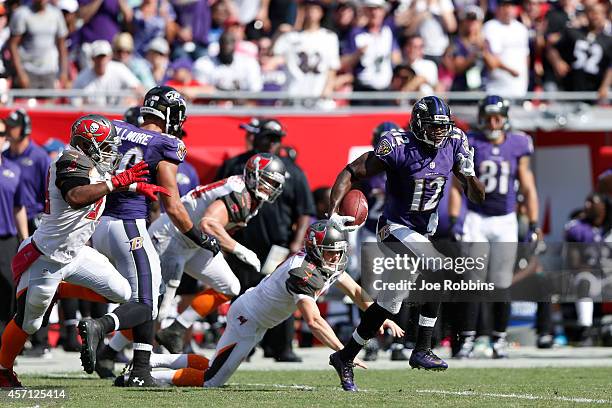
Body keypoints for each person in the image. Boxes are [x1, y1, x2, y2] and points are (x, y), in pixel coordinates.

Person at [114, 220, 404, 388]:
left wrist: (380, 316)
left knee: (214, 367)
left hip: (258, 320)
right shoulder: (302, 271)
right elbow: (314, 322)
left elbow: (355, 290)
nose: (335, 258)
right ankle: (144, 376)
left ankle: (145, 361)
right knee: (212, 381)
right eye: (330, 252)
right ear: (316, 249)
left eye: (338, 252)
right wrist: (345, 352)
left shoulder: (327, 265)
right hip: (248, 318)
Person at [326, 96, 485, 391]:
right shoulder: (398, 145)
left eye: (443, 127)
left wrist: (470, 175)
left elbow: (478, 197)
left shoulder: (454, 142)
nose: (440, 133)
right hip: (394, 227)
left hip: (422, 232)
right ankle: (422, 348)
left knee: (388, 304)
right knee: (437, 267)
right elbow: (351, 171)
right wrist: (332, 211)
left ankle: (345, 357)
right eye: (433, 127)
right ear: (417, 125)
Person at [0, 114, 166, 388]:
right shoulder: (70, 160)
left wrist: (134, 185)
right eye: (107, 145)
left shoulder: (91, 164)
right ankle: (3, 368)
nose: (112, 151)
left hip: (76, 253)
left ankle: (61, 289)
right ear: (88, 144)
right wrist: (117, 182)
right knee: (29, 323)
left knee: (124, 293)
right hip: (49, 257)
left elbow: (102, 182)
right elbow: (76, 196)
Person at [81, 86, 220, 387]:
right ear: (170, 114)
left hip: (99, 223)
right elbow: (172, 203)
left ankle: (140, 370)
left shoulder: (116, 128)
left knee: (149, 294)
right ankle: (100, 327)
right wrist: (199, 237)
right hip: (128, 224)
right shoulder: (166, 143)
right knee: (146, 300)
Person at [154, 153, 287, 353]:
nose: (268, 187)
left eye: (272, 183)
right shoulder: (238, 191)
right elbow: (208, 224)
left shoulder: (250, 195)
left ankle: (176, 329)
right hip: (171, 237)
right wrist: (239, 249)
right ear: (253, 175)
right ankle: (129, 355)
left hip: (195, 242)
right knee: (159, 309)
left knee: (229, 286)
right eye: (266, 181)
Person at [216, 118, 316, 362]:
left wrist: (296, 242)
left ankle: (281, 348)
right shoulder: (237, 165)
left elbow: (304, 211)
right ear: (256, 137)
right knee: (240, 295)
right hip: (243, 243)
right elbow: (217, 199)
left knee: (280, 296)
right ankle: (241, 348)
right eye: (267, 137)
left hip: (278, 246)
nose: (271, 143)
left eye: (276, 139)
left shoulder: (292, 170)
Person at [450, 95, 539, 359]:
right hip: (476, 218)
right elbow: (457, 186)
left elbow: (527, 185)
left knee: (501, 283)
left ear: (505, 117)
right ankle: (466, 340)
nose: (492, 122)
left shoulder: (518, 143)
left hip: (505, 219)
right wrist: (456, 219)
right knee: (472, 282)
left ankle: (498, 340)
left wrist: (533, 222)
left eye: (497, 117)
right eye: (488, 117)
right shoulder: (471, 143)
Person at [272, 0, 340, 101]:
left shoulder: (329, 37)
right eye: (308, 8)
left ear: (321, 13)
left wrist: (328, 88)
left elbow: (332, 67)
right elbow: (272, 55)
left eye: (315, 9)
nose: (311, 12)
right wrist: (278, 34)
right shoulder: (291, 37)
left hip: (317, 95)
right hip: (293, 93)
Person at [547, 2, 612, 100]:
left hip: (594, 93)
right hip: (569, 89)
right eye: (592, 12)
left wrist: (605, 86)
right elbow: (550, 47)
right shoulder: (572, 32)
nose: (595, 16)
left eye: (599, 13)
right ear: (586, 14)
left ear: (605, 15)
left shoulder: (608, 40)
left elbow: (610, 67)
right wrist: (557, 61)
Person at [0, 119, 28, 336]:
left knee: (8, 288)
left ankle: (4, 343)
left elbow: (19, 207)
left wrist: (25, 239)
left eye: (2, 134)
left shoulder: (14, 170)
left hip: (6, 238)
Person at [2, 109, 50, 236]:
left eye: (12, 126)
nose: (8, 129)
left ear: (24, 129)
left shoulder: (40, 157)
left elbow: (50, 192)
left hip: (34, 222)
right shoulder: (3, 158)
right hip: (9, 222)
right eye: (7, 126)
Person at [8, 0, 68, 89]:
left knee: (50, 102)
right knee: (26, 102)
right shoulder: (22, 14)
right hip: (28, 69)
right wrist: (20, 73)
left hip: (50, 70)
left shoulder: (56, 14)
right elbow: (13, 45)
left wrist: (64, 72)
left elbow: (62, 45)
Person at [72, 40, 143, 106]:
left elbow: (138, 88)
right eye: (98, 57)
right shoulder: (82, 77)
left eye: (104, 56)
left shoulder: (119, 69)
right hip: (93, 117)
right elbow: (75, 103)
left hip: (116, 116)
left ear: (110, 57)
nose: (101, 61)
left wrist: (133, 99)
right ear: (92, 58)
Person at [482, 0, 530, 98]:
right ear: (498, 8)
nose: (508, 10)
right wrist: (511, 71)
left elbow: (526, 56)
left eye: (511, 6)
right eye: (505, 6)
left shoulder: (521, 29)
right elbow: (491, 60)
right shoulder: (490, 27)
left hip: (519, 88)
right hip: (496, 89)